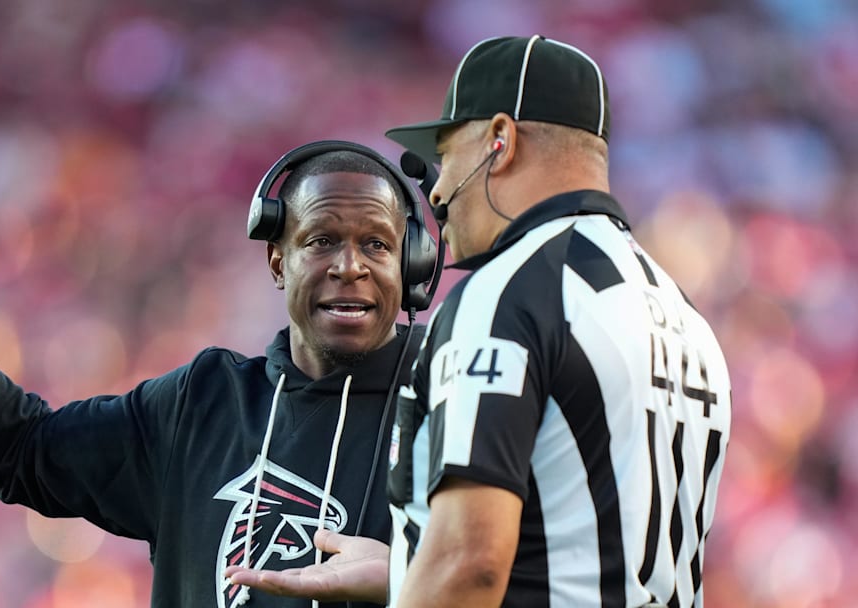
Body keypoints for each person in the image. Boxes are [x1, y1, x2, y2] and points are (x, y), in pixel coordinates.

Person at [0, 140, 441, 608]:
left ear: (410, 263)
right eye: (321, 240)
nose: (349, 264)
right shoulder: (202, 403)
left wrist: (411, 581)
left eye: (377, 244)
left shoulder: (454, 400)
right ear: (277, 261)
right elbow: (25, 450)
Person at [227, 35, 733, 608]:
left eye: (448, 154)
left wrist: (431, 572)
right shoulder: (684, 316)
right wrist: (405, 570)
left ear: (500, 140)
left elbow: (468, 567)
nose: (437, 190)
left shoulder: (506, 295)